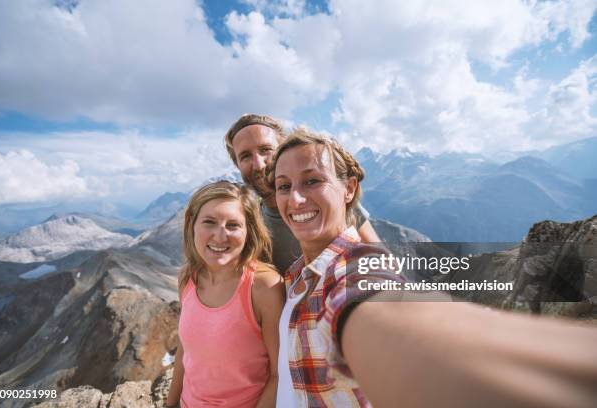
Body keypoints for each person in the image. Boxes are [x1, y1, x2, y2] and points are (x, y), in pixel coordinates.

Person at [269, 128, 597, 407]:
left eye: (312, 181)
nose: (295, 199)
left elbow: (373, 304)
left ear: (349, 188)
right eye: (284, 186)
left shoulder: (358, 266)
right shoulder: (296, 275)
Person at [166, 181, 285, 408]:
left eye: (233, 225)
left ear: (248, 230)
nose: (220, 236)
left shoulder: (264, 288)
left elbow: (279, 374)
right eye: (209, 222)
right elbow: (186, 352)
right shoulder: (188, 279)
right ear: (192, 224)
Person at [224, 114, 380, 274]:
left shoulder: (333, 201)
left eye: (266, 150)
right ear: (237, 165)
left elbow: (383, 266)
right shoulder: (249, 225)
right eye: (245, 156)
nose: (258, 164)